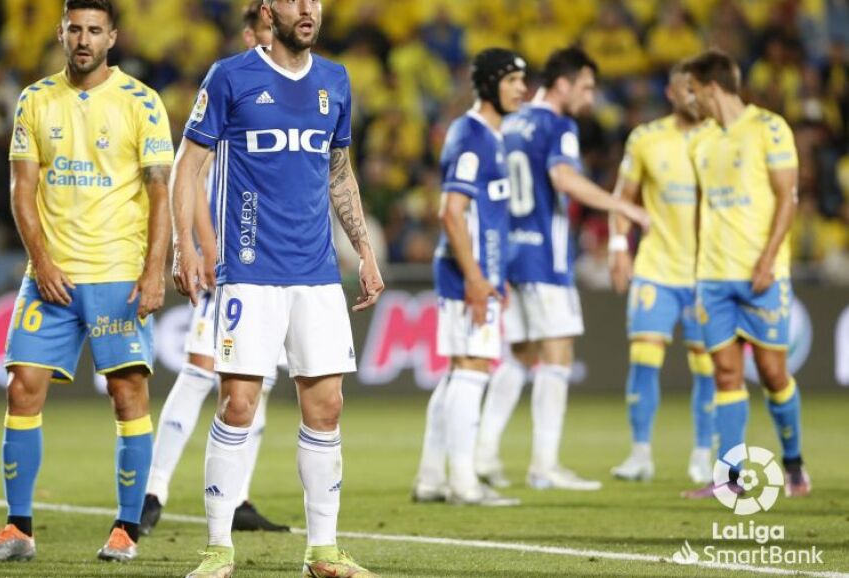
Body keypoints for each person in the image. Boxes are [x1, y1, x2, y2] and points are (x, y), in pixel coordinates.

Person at [170, 0, 384, 575]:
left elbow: (339, 171)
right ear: (270, 9)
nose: (307, 8)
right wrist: (183, 246)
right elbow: (187, 164)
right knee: (238, 405)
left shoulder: (335, 80)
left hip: (317, 274)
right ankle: (218, 548)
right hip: (249, 271)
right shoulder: (230, 76)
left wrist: (364, 250)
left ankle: (323, 551)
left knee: (327, 408)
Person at [0, 0, 174, 563]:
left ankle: (126, 529)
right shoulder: (35, 99)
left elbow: (160, 192)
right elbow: (21, 188)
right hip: (51, 277)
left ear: (113, 37)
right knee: (21, 387)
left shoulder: (142, 102)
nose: (84, 39)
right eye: (75, 29)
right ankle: (18, 528)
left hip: (117, 274)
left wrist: (154, 270)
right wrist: (41, 260)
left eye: (94, 30)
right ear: (61, 33)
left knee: (128, 394)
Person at [140, 0, 287, 537]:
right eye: (266, 28)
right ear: (250, 35)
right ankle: (153, 489)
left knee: (260, 382)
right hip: (230, 261)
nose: (275, 37)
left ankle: (240, 496)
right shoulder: (232, 86)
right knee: (202, 370)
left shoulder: (293, 93)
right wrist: (202, 246)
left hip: (278, 262)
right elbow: (195, 175)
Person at [475, 47, 650, 491]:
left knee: (520, 354)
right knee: (558, 356)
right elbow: (564, 178)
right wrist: (621, 205)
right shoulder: (558, 125)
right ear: (563, 84)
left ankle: (484, 455)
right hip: (545, 258)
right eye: (586, 87)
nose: (591, 97)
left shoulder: (510, 122)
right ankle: (545, 465)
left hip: (510, 255)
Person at [681, 49, 810, 499]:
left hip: (762, 274)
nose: (690, 99)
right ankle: (729, 479)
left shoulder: (770, 128)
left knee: (773, 373)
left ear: (712, 88)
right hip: (713, 277)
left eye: (693, 90)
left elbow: (787, 196)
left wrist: (768, 259)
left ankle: (794, 464)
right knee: (725, 374)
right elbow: (702, 207)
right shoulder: (699, 140)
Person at [412, 48, 527, 507]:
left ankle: (430, 478)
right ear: (491, 84)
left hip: (479, 272)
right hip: (465, 274)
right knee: (472, 368)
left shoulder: (493, 137)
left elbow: (487, 218)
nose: (522, 89)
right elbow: (451, 211)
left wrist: (496, 275)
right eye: (513, 80)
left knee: (460, 371)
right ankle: (462, 481)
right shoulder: (472, 134)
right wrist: (477, 278)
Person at [608, 64, 715, 484]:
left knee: (708, 366)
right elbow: (623, 197)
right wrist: (619, 246)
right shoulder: (646, 138)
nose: (691, 95)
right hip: (657, 268)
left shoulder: (722, 138)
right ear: (670, 93)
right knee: (644, 358)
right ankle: (640, 455)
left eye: (697, 88)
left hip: (709, 273)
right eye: (684, 88)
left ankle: (703, 454)